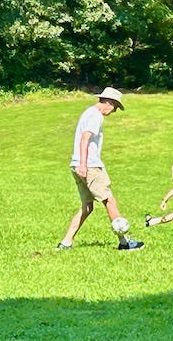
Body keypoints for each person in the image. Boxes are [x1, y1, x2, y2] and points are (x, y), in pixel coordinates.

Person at [59, 87, 143, 251]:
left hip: (76, 164)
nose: (114, 111)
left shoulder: (88, 112)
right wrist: (84, 164)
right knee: (109, 200)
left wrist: (80, 164)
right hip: (90, 165)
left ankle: (66, 242)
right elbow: (85, 139)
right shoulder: (96, 116)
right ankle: (125, 242)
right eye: (115, 107)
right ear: (109, 103)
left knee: (87, 207)